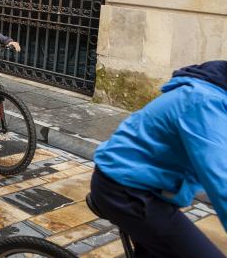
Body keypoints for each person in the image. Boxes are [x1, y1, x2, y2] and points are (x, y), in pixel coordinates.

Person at [90, 61, 227, 257]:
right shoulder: (204, 102)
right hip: (126, 189)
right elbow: (222, 182)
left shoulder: (215, 94)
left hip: (148, 188)